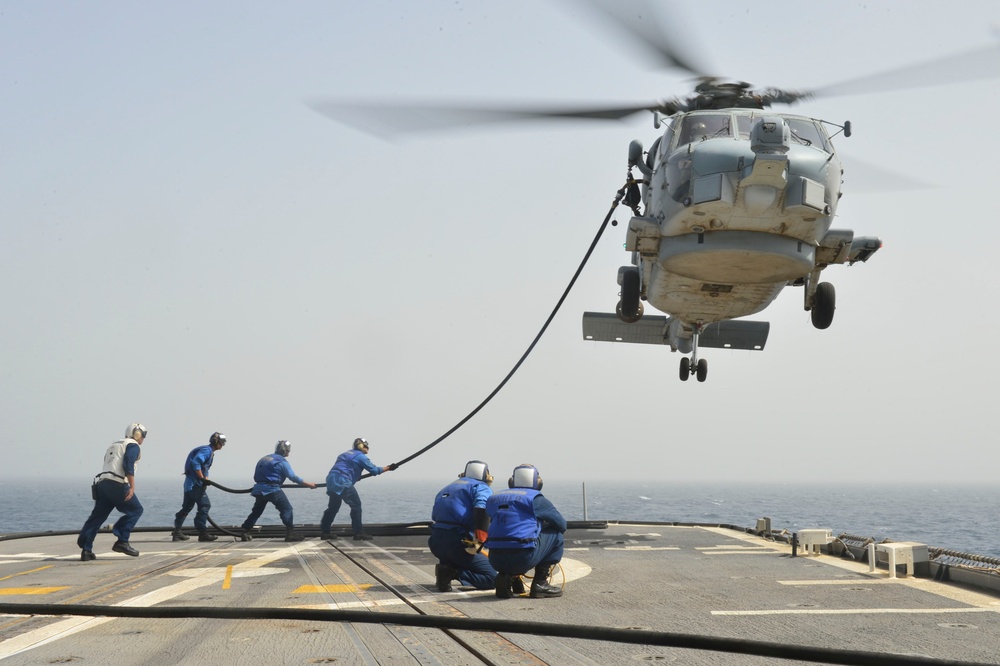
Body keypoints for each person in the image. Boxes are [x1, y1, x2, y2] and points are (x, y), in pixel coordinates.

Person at [485, 464, 567, 599]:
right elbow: (561, 525)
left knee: (510, 535)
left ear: (511, 481)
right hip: (522, 558)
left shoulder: (493, 498)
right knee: (556, 534)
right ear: (538, 482)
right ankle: (540, 583)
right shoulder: (536, 499)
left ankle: (508, 577)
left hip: (495, 559)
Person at [428, 460, 501, 592]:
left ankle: (445, 568)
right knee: (492, 578)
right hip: (457, 543)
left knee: (454, 555)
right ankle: (453, 572)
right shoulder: (481, 487)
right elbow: (482, 509)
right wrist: (480, 540)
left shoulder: (448, 487)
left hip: (436, 543)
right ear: (486, 475)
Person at [77, 423, 147, 560]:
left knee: (98, 516)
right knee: (136, 510)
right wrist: (132, 487)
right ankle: (122, 540)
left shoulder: (114, 445)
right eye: (143, 436)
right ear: (138, 434)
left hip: (102, 483)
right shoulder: (133, 445)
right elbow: (128, 465)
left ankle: (86, 548)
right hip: (118, 483)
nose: (143, 439)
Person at [320, 437, 396, 541]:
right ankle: (358, 532)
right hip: (343, 481)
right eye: (365, 446)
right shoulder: (361, 457)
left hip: (331, 480)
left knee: (333, 508)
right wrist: (388, 468)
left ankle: (325, 532)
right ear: (360, 446)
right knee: (356, 506)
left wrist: (355, 476)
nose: (367, 448)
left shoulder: (345, 454)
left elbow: (345, 467)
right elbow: (374, 470)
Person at [240, 440, 316, 542]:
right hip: (272, 489)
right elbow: (293, 477)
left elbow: (256, 476)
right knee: (287, 509)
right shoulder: (282, 462)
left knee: (256, 512)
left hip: (259, 489)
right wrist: (309, 484)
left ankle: (245, 531)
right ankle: (290, 533)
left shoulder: (264, 458)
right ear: (285, 450)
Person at [172, 431, 227, 542]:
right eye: (222, 442)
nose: (223, 445)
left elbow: (204, 468)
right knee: (205, 505)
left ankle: (177, 532)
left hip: (190, 485)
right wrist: (201, 478)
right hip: (194, 484)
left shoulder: (209, 451)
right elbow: (196, 463)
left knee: (186, 508)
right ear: (217, 442)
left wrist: (205, 479)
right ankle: (202, 533)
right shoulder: (207, 450)